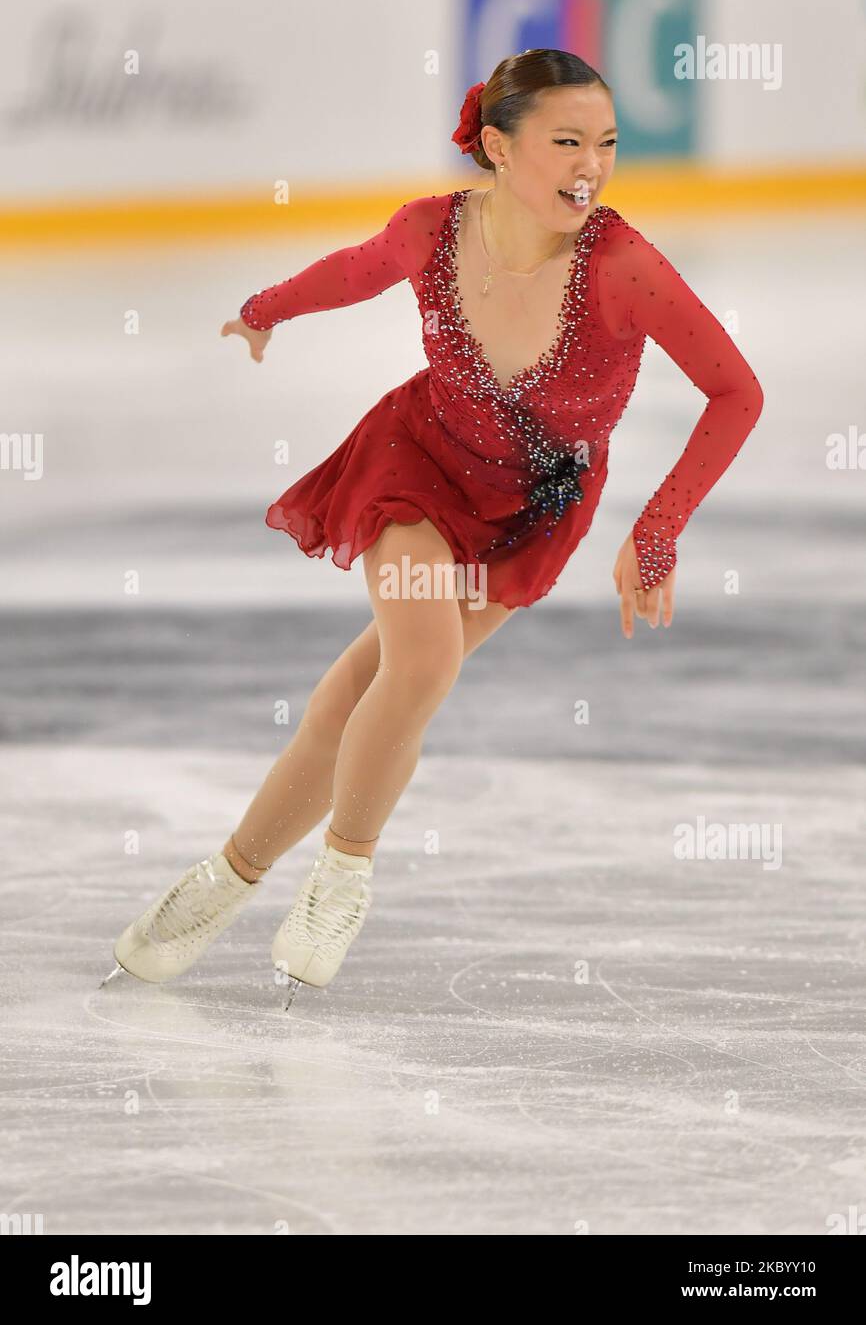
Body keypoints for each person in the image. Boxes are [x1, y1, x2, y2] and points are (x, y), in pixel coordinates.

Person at [102, 49, 763, 1003]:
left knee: (356, 699)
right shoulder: (434, 230)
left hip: (531, 512)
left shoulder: (625, 267)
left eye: (608, 144)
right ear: (497, 146)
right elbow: (357, 270)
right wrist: (263, 312)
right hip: (417, 468)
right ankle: (343, 878)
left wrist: (657, 530)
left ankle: (223, 881)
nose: (592, 165)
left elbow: (735, 391)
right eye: (566, 141)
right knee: (420, 664)